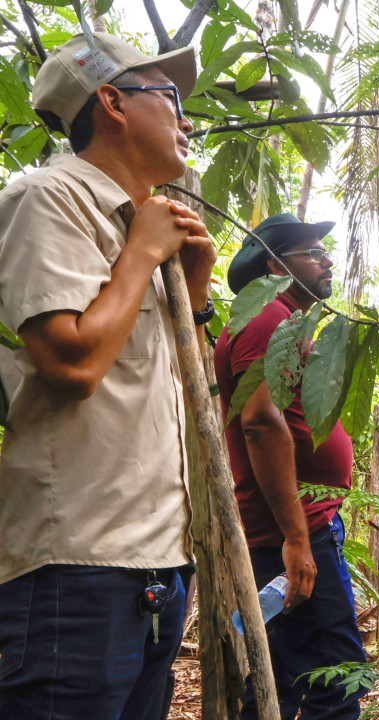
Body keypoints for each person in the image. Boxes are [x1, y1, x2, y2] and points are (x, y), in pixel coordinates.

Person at [0, 33, 215, 720]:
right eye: (172, 98)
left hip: (154, 562)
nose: (186, 120)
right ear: (113, 101)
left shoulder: (152, 224)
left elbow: (188, 398)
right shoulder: (48, 197)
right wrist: (142, 254)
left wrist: (196, 293)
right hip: (76, 566)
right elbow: (71, 363)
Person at [215, 213, 366, 720]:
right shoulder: (267, 319)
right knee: (338, 675)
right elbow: (259, 421)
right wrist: (297, 538)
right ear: (277, 265)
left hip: (299, 523)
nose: (326, 261)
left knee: (280, 673)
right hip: (297, 527)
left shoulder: (280, 320)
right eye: (312, 252)